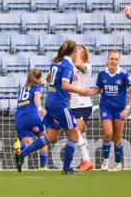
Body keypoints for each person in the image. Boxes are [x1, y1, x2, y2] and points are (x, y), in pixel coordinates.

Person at [19, 39, 90, 174]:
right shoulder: (68, 66)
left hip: (51, 102)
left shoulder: (56, 63)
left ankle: (22, 155)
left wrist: (61, 91)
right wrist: (82, 91)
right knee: (74, 134)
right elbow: (64, 85)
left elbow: (48, 79)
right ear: (74, 51)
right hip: (59, 104)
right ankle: (67, 168)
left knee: (51, 137)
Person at [88, 50, 131, 171]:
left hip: (120, 109)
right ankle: (106, 161)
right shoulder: (102, 74)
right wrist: (86, 93)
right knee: (108, 133)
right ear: (107, 60)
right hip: (106, 107)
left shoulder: (124, 74)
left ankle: (118, 163)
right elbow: (97, 90)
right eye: (111, 59)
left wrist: (127, 109)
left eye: (116, 59)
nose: (113, 61)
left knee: (118, 137)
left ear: (118, 61)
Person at [13, 69, 48, 172]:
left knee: (29, 148)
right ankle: (42, 166)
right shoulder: (37, 87)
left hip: (19, 119)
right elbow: (37, 98)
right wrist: (39, 108)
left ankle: (20, 146)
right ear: (38, 78)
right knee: (44, 138)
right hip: (32, 116)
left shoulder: (22, 89)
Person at [71, 45, 94, 172]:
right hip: (72, 104)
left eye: (77, 52)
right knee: (79, 134)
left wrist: (78, 51)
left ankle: (86, 160)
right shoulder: (70, 68)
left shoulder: (87, 67)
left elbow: (79, 64)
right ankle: (86, 159)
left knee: (75, 132)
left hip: (83, 104)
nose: (74, 54)